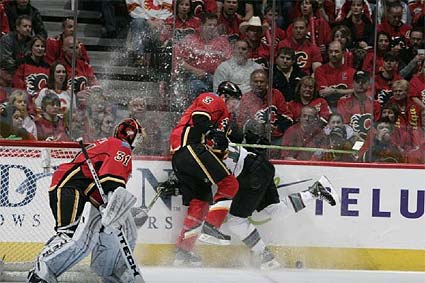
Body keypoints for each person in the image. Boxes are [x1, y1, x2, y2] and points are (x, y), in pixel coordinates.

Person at [27, 118, 147, 283]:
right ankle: (41, 271)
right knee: (71, 234)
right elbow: (111, 182)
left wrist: (124, 214)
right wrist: (117, 210)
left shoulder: (108, 144)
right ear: (131, 135)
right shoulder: (122, 146)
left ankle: (107, 274)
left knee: (88, 240)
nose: (139, 142)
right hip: (71, 186)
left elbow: (104, 185)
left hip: (81, 191)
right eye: (139, 137)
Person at [169, 81, 242, 265]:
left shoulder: (225, 118)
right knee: (230, 183)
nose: (235, 106)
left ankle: (183, 251)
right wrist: (211, 132)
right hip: (189, 148)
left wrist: (222, 142)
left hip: (186, 157)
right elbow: (200, 118)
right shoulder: (215, 99)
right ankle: (211, 227)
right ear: (225, 95)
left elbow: (215, 144)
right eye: (234, 101)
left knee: (200, 204)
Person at [174, 13, 232, 101]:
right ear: (201, 26)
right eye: (209, 25)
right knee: (197, 86)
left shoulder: (223, 42)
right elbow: (179, 61)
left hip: (217, 78)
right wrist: (194, 70)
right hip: (195, 78)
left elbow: (230, 63)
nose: (212, 27)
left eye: (214, 25)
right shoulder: (190, 40)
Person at [236, 69, 293, 146]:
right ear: (250, 83)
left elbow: (288, 117)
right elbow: (241, 122)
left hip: (276, 138)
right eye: (256, 81)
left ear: (267, 82)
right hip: (254, 139)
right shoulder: (246, 98)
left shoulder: (276, 94)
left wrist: (276, 126)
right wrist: (258, 127)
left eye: (262, 81)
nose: (259, 84)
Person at [336, 70, 381, 140]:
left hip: (371, 142)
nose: (360, 83)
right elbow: (344, 125)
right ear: (352, 83)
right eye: (357, 81)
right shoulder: (343, 103)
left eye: (363, 81)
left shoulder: (375, 104)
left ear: (369, 84)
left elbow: (377, 126)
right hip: (350, 140)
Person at [314, 40, 355, 109]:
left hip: (347, 108)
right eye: (330, 51)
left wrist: (333, 91)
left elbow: (356, 92)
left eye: (336, 51)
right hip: (327, 107)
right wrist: (346, 92)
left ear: (343, 53)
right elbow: (323, 93)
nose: (333, 54)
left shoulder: (351, 72)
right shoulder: (320, 70)